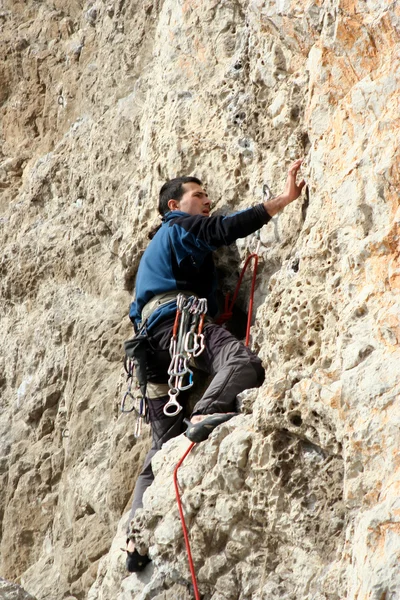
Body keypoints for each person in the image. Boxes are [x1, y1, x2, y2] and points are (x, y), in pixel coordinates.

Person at [124, 159, 305, 571]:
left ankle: (136, 542)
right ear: (174, 204)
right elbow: (224, 230)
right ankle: (207, 410)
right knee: (241, 363)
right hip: (176, 324)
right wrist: (284, 200)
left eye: (207, 196)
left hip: (151, 352)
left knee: (161, 448)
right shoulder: (177, 227)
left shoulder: (168, 247)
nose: (207, 202)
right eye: (198, 196)